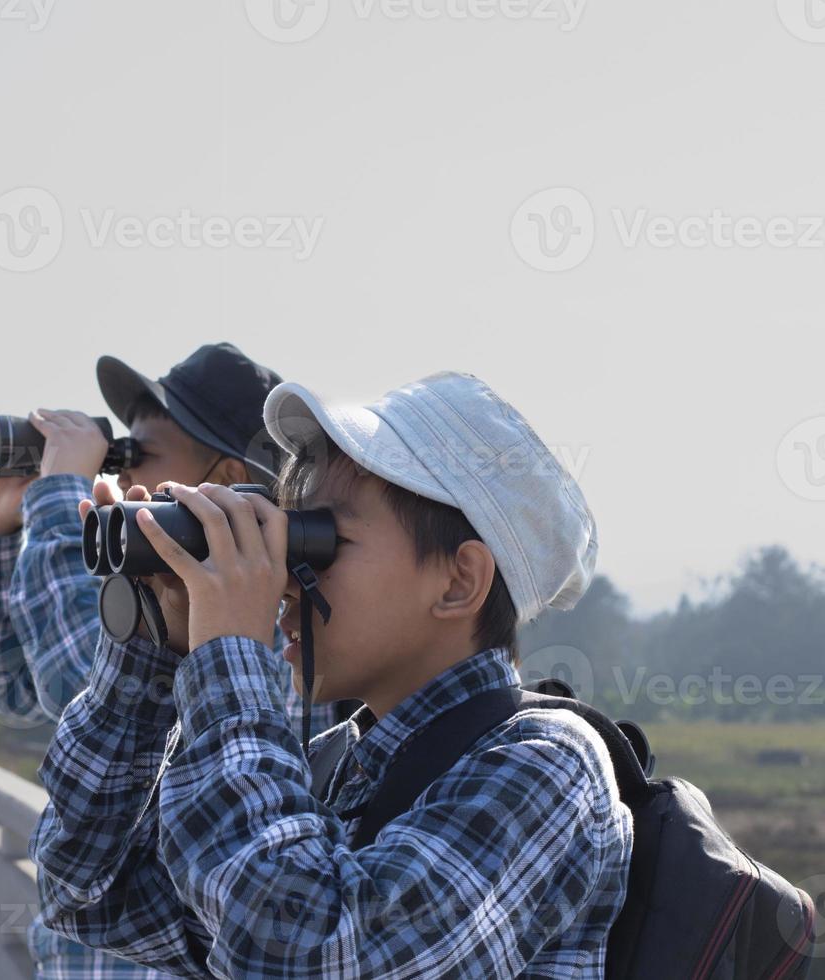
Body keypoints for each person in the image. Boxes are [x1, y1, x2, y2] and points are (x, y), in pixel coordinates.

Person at [31, 371, 633, 978]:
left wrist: (230, 656)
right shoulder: (335, 766)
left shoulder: (548, 767)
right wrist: (152, 650)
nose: (285, 579)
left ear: (458, 582)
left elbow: (310, 955)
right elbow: (92, 893)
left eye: (320, 541)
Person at [0, 343, 345, 979]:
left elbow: (75, 673)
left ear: (224, 473)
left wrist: (58, 500)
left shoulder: (264, 616)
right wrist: (1, 533)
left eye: (141, 456)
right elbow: (12, 687)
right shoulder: (179, 596)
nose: (124, 475)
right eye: (118, 454)